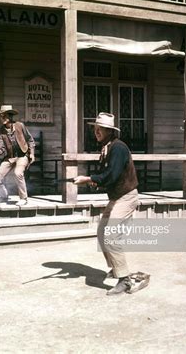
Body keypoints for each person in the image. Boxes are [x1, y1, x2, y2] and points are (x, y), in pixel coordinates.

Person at [74, 112, 140, 295]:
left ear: (110, 131)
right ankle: (116, 268)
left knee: (111, 236)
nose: (96, 132)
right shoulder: (107, 147)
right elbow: (108, 176)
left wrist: (88, 179)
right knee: (102, 232)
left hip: (126, 197)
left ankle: (124, 280)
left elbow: (112, 175)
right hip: (116, 197)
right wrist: (95, 181)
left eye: (100, 129)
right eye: (95, 129)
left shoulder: (118, 148)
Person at [0, 105, 35, 206]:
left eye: (4, 116)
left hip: (22, 156)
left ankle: (24, 198)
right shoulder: (1, 131)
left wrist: (32, 153)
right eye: (1, 116)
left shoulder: (20, 126)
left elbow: (30, 140)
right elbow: (1, 149)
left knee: (18, 173)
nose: (2, 119)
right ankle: (4, 197)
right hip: (10, 158)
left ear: (10, 116)